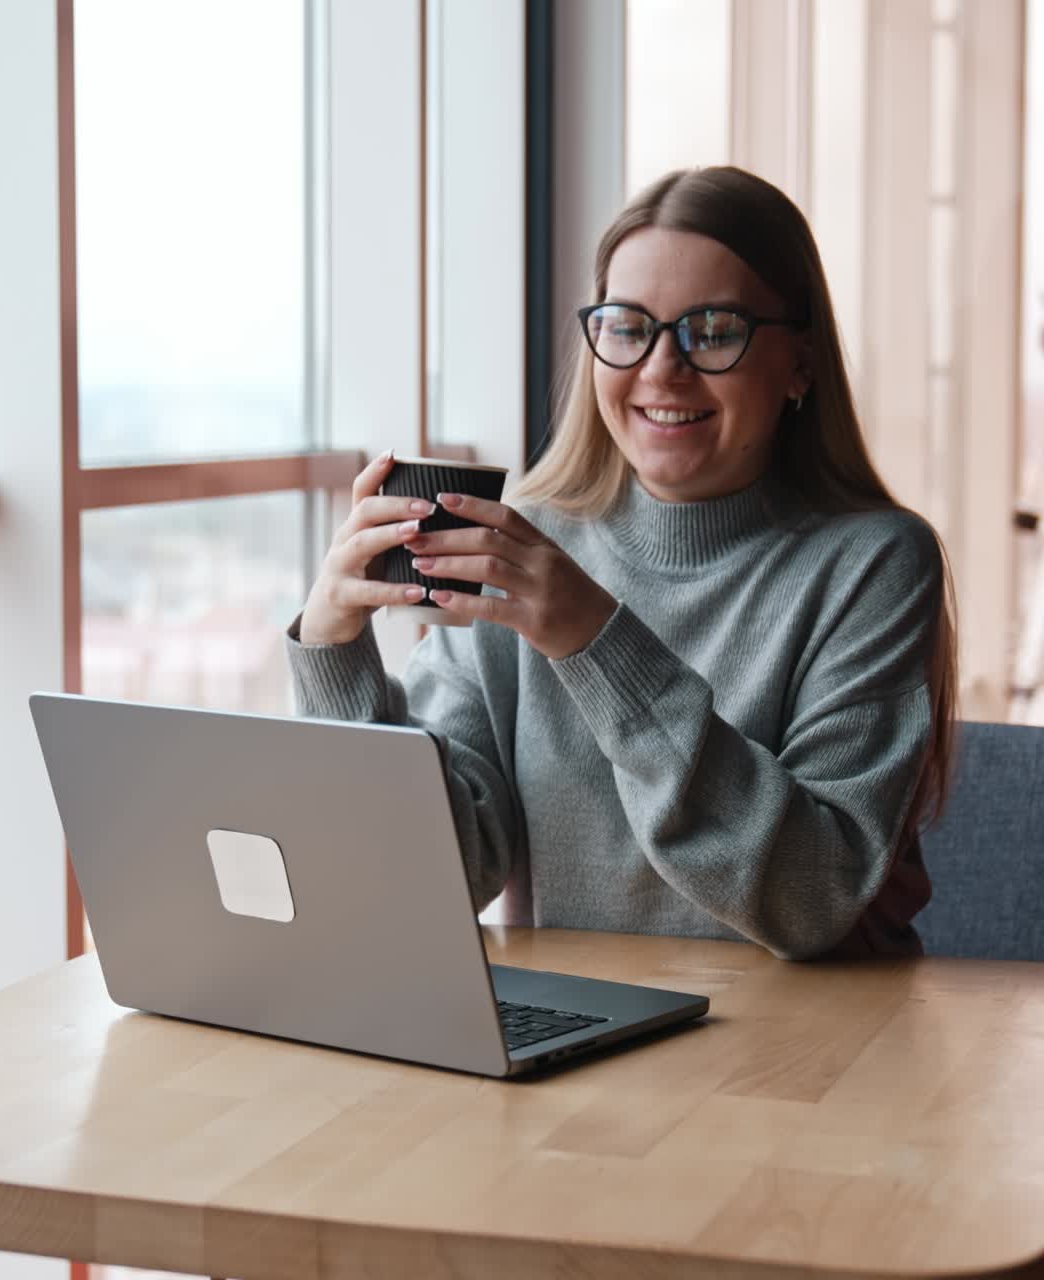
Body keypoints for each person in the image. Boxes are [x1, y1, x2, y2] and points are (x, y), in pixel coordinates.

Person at [285, 165, 957, 960]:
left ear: (800, 363)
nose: (661, 369)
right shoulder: (525, 547)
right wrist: (336, 659)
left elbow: (811, 901)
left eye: (714, 330)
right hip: (584, 1026)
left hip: (814, 1036)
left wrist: (593, 640)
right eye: (628, 326)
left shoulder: (874, 565)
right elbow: (424, 880)